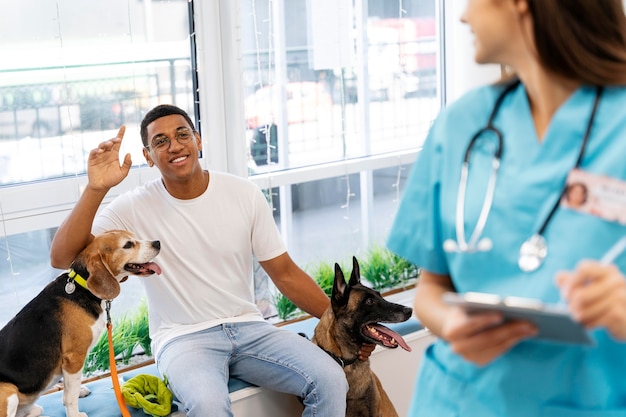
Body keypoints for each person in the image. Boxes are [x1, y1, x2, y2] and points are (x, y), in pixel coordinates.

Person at [50, 104, 374, 417]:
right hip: (183, 338)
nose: (174, 145)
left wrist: (342, 325)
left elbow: (286, 274)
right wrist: (95, 189)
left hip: (250, 327)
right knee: (208, 406)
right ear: (148, 157)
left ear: (198, 140)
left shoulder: (243, 194)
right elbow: (61, 257)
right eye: (160, 141)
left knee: (331, 379)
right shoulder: (133, 207)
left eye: (182, 134)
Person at [386, 1, 626, 416]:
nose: (462, 16)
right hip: (457, 401)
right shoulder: (461, 124)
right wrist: (450, 324)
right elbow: (431, 289)